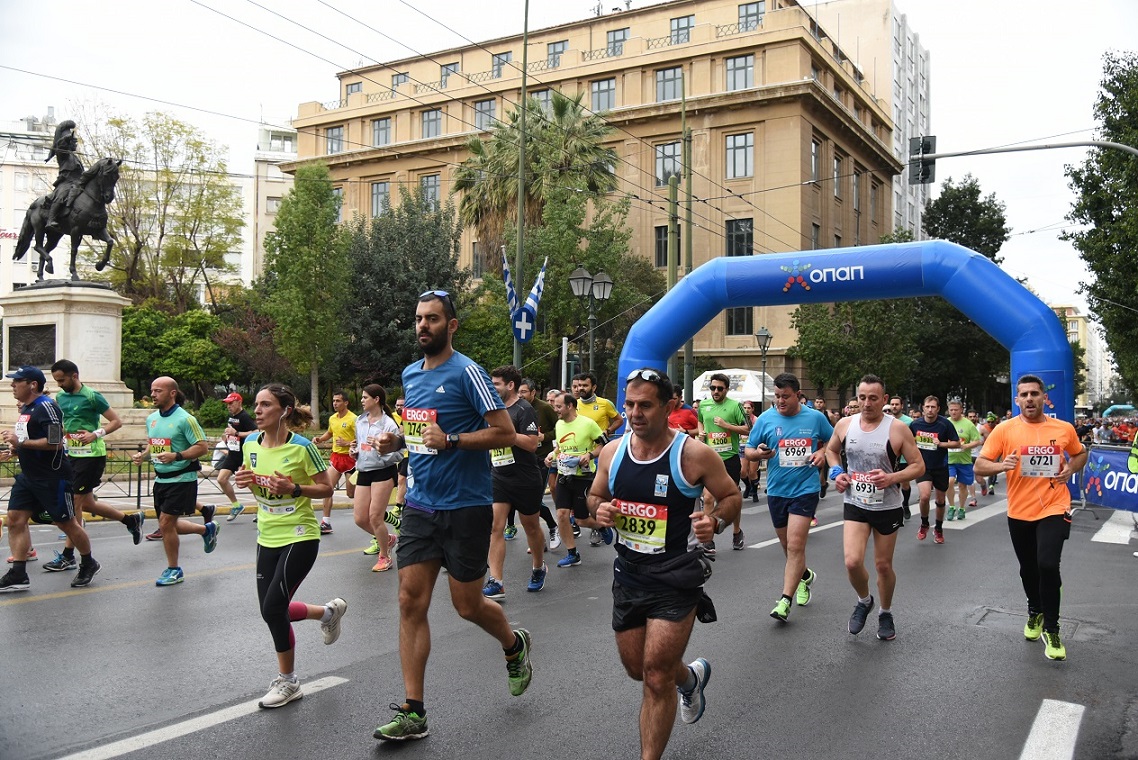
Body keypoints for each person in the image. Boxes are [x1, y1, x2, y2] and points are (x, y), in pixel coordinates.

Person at [374, 290, 531, 742]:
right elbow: (421, 434)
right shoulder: (409, 374)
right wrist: (397, 444)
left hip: (466, 507)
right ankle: (413, 710)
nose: (423, 326)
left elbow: (504, 433)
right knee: (409, 601)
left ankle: (512, 644)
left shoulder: (469, 373)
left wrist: (454, 441)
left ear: (452, 325)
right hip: (422, 505)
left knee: (466, 605)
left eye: (433, 319)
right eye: (419, 318)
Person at [589, 368, 741, 760]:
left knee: (656, 676)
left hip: (676, 574)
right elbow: (594, 496)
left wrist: (716, 521)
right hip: (629, 573)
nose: (635, 414)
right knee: (638, 669)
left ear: (669, 406)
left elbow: (730, 495)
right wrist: (599, 510)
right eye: (629, 405)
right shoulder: (613, 451)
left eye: (645, 405)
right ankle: (689, 678)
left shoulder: (692, 455)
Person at [234, 384, 348, 708]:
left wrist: (294, 487)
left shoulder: (301, 448)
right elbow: (260, 486)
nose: (257, 410)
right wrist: (249, 482)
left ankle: (289, 682)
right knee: (272, 610)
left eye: (265, 405)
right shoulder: (249, 445)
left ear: (284, 411)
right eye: (256, 404)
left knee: (272, 610)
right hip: (267, 535)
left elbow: (326, 489)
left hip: (300, 535)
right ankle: (328, 613)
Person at [974, 375, 1087, 661]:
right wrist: (1002, 465)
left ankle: (1052, 628)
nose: (1029, 399)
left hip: (1054, 505)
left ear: (1043, 398)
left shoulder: (1062, 428)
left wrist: (1070, 469)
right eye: (1023, 395)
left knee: (1047, 563)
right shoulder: (1004, 430)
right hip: (1020, 511)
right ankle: (1034, 610)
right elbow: (980, 465)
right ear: (1017, 399)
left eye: (1034, 394)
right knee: (1029, 568)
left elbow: (1080, 454)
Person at [825, 375, 924, 640]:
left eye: (872, 398)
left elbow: (918, 466)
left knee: (882, 566)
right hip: (856, 502)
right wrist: (837, 472)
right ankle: (863, 600)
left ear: (883, 399)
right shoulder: (845, 424)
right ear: (857, 398)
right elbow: (831, 451)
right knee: (852, 561)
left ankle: (885, 611)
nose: (866, 403)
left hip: (887, 506)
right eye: (862, 397)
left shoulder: (897, 429)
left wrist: (891, 478)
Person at [0, 366, 101, 591]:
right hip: (28, 476)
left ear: (32, 384)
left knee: (67, 524)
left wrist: (20, 443)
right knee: (15, 519)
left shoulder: (47, 407)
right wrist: (16, 450)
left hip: (52, 477)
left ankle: (88, 562)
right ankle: (18, 572)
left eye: (17, 381)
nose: (12, 385)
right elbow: (30, 439)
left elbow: (55, 442)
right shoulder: (27, 408)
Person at [745, 373, 833, 623]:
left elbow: (833, 440)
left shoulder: (814, 417)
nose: (780, 401)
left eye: (785, 396)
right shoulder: (766, 419)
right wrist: (759, 454)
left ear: (797, 396)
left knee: (795, 546)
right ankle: (805, 576)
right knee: (788, 548)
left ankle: (785, 600)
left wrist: (822, 452)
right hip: (776, 491)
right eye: (777, 396)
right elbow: (750, 450)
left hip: (805, 489)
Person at [44, 360, 144, 575]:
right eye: (56, 381)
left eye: (62, 380)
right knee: (87, 504)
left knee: (74, 503)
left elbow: (116, 421)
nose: (59, 384)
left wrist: (95, 434)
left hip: (92, 456)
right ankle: (131, 520)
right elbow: (61, 425)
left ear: (74, 375)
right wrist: (54, 444)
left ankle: (69, 556)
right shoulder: (60, 397)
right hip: (71, 454)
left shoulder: (92, 396)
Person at [130, 376, 218, 586]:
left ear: (172, 393)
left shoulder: (185, 419)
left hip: (182, 478)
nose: (152, 394)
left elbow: (202, 447)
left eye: (158, 391)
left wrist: (176, 456)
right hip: (161, 479)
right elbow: (155, 444)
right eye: (152, 390)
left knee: (165, 524)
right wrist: (143, 455)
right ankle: (206, 530)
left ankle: (174, 569)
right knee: (170, 525)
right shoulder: (151, 418)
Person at [483, 366, 548, 599]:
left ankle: (539, 567)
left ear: (510, 385)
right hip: (499, 476)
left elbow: (532, 444)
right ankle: (496, 581)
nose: (493, 388)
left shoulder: (524, 409)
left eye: (497, 384)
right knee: (495, 526)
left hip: (525, 478)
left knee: (530, 526)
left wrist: (505, 433)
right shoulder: (492, 410)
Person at [547, 392, 611, 566]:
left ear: (570, 406)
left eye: (559, 406)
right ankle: (572, 553)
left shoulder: (588, 424)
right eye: (554, 406)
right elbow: (559, 448)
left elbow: (604, 444)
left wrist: (589, 455)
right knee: (561, 514)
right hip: (564, 475)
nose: (556, 409)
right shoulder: (559, 424)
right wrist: (551, 456)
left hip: (584, 476)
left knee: (582, 519)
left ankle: (601, 526)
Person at [351, 384, 402, 572]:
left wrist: (380, 450)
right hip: (364, 470)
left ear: (376, 399)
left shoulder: (389, 424)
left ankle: (385, 556)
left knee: (375, 517)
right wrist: (354, 452)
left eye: (365, 397)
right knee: (359, 518)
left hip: (383, 471)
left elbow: (399, 453)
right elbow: (360, 446)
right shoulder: (360, 420)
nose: (362, 400)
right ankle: (387, 539)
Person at [696, 373, 751, 551]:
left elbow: (747, 429)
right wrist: (701, 432)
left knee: (731, 499)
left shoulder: (735, 406)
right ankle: (708, 538)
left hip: (730, 459)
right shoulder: (703, 405)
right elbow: (700, 422)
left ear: (727, 389)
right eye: (713, 388)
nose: (716, 391)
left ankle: (736, 532)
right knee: (708, 497)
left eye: (720, 388)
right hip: (710, 459)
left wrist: (726, 425)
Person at [909, 396, 960, 544]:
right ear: (923, 408)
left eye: (933, 407)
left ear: (938, 409)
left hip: (940, 466)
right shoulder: (915, 424)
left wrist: (941, 444)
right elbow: (907, 441)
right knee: (924, 496)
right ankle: (924, 523)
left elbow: (956, 443)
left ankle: (938, 528)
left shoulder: (945, 424)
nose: (930, 410)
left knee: (940, 499)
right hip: (923, 466)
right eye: (927, 407)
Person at [519, 378, 562, 550]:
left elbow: (560, 428)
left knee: (534, 500)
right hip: (522, 459)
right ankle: (539, 538)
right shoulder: (515, 408)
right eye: (518, 392)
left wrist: (545, 437)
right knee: (524, 501)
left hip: (542, 459)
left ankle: (552, 528)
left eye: (523, 392)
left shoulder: (544, 408)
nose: (520, 395)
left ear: (532, 392)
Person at [313, 390, 357, 534]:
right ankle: (326, 522)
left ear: (346, 403)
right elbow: (330, 433)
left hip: (351, 459)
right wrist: (320, 439)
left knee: (351, 494)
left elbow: (362, 439)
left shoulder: (354, 419)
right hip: (337, 458)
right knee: (327, 489)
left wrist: (347, 443)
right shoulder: (333, 418)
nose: (335, 403)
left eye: (338, 401)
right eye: (333, 401)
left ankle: (370, 508)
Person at [215, 392, 257, 522]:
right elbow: (231, 432)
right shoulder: (231, 417)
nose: (229, 406)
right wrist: (227, 435)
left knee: (250, 484)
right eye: (227, 404)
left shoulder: (244, 416)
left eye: (231, 403)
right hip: (233, 453)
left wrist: (237, 433)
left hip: (243, 454)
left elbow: (256, 432)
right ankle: (236, 505)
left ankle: (263, 508)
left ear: (239, 402)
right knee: (221, 479)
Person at [945, 400, 982, 520]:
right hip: (949, 460)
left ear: (961, 410)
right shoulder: (945, 423)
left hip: (964, 460)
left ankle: (961, 507)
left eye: (956, 410)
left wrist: (966, 446)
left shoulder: (968, 424)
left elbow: (977, 440)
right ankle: (951, 506)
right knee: (949, 482)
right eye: (951, 410)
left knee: (962, 486)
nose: (954, 412)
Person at [572, 372, 623, 439]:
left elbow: (619, 420)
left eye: (585, 386)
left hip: (599, 446)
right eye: (580, 385)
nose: (581, 388)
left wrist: (608, 431)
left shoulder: (605, 403)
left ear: (594, 387)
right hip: (581, 447)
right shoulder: (574, 404)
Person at [739, 400, 761, 502]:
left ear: (752, 409)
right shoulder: (740, 418)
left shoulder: (756, 420)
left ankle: (755, 492)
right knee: (742, 472)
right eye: (745, 408)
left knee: (752, 472)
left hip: (753, 447)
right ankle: (748, 486)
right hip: (742, 446)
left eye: (749, 408)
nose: (747, 410)